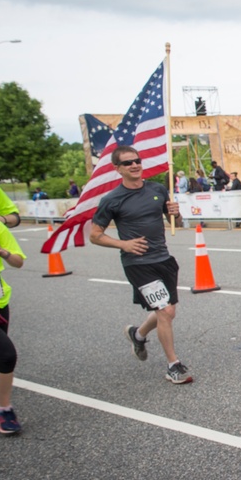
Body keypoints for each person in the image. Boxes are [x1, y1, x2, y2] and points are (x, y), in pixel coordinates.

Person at [89, 146, 193, 385]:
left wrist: (176, 214)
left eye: (137, 161)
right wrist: (123, 244)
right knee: (165, 311)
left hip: (163, 259)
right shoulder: (112, 199)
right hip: (138, 263)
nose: (134, 165)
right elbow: (95, 235)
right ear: (117, 169)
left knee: (168, 312)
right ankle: (173, 366)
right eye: (127, 163)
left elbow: (175, 223)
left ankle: (138, 334)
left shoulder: (158, 189)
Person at [0, 223, 26, 434]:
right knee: (7, 355)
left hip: (0, 303)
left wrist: (3, 252)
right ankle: (4, 409)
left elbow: (18, 262)